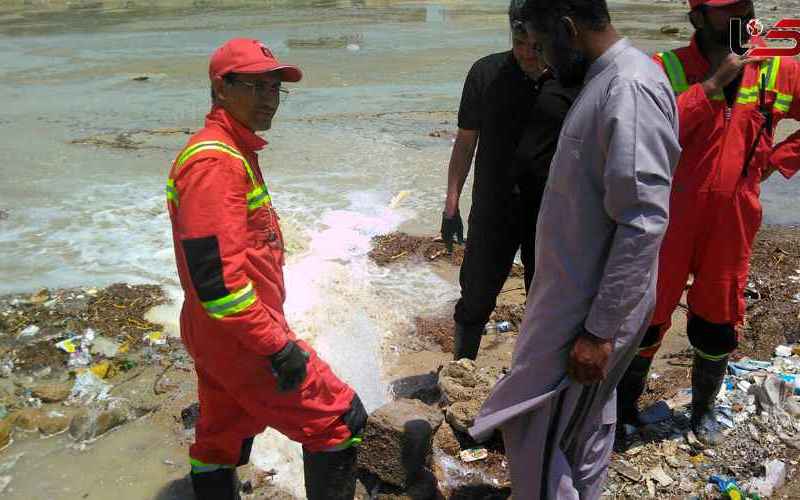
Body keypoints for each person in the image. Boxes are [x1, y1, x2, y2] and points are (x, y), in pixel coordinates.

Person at [469, 1, 681, 497]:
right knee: (582, 428)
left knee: (539, 435)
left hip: (586, 313)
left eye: (543, 45)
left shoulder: (627, 88)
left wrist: (598, 332)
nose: (542, 59)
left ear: (568, 29)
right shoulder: (610, 82)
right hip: (577, 304)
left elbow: (643, 220)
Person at [165, 38, 367, 500]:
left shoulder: (231, 151)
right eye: (256, 87)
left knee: (220, 437)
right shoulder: (215, 162)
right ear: (221, 88)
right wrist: (276, 346)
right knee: (338, 420)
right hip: (241, 335)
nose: (269, 99)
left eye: (275, 88)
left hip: (219, 331)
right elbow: (218, 284)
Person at [617, 0, 800, 447]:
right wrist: (713, 85)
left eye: (745, 5)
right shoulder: (665, 67)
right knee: (649, 315)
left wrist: (775, 161)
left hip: (733, 218)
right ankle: (623, 412)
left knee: (718, 319)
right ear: (697, 18)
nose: (740, 15)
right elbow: (647, 133)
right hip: (668, 216)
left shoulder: (776, 69)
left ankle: (702, 411)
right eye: (726, 9)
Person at [441, 0, 578, 360]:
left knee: (544, 300)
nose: (528, 54)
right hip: (493, 209)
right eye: (520, 44)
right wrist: (451, 202)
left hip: (549, 214)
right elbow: (465, 142)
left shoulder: (572, 79)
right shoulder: (485, 73)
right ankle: (462, 368)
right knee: (475, 297)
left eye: (536, 46)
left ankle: (531, 375)